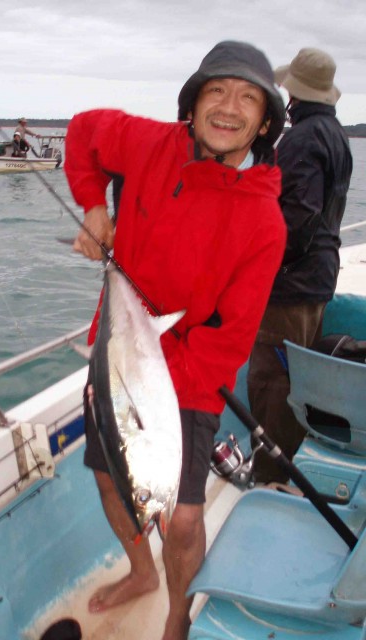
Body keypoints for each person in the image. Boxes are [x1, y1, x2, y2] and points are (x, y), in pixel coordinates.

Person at [64, 40, 287, 640]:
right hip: (117, 349)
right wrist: (93, 207)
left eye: (248, 98)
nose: (228, 107)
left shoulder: (265, 222)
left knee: (183, 518)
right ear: (192, 104)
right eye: (216, 90)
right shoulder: (148, 143)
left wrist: (153, 390)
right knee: (110, 477)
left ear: (264, 122)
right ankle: (141, 571)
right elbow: (83, 133)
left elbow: (230, 342)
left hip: (185, 371)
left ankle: (176, 615)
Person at [247, 48, 353, 484]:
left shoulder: (305, 138)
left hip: (289, 285)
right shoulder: (335, 133)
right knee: (296, 376)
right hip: (318, 275)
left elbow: (298, 217)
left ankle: (270, 475)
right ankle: (286, 467)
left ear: (295, 94)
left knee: (273, 381)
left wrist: (259, 263)